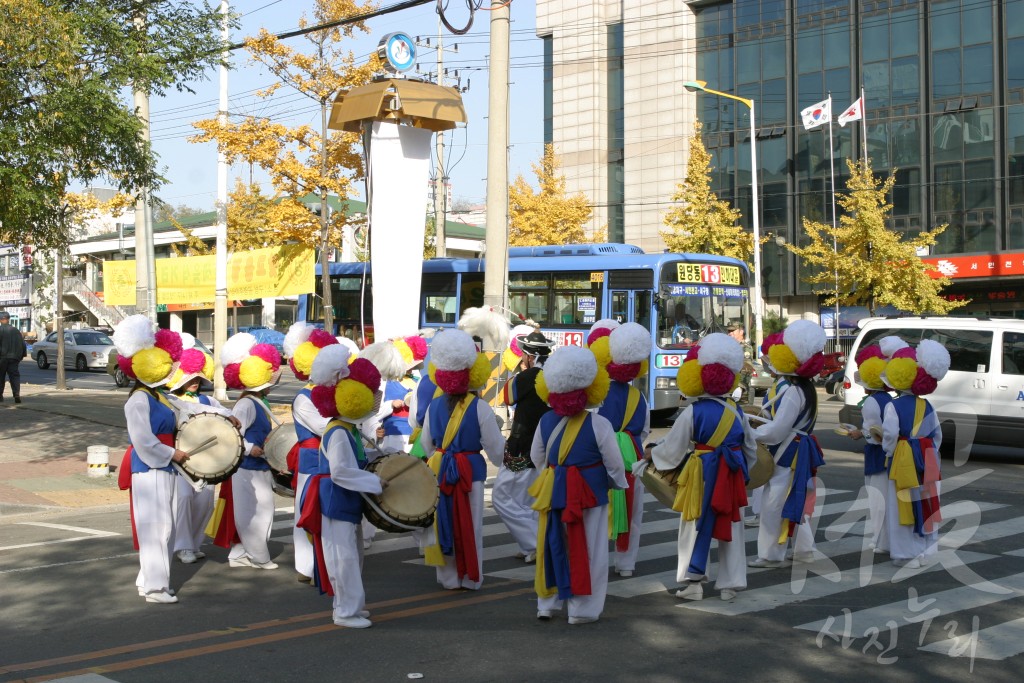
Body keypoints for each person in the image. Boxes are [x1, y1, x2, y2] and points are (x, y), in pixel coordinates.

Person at [641, 333, 757, 601]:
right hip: (730, 473)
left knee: (693, 525)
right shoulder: (737, 411)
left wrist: (651, 454)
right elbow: (751, 449)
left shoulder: (694, 411)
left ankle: (693, 584)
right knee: (732, 526)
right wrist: (743, 472)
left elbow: (674, 447)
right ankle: (731, 584)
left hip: (701, 473)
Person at [529, 345, 627, 624]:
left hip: (553, 491)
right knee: (590, 551)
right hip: (590, 493)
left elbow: (538, 457)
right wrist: (616, 485)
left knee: (551, 544)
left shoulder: (545, 420)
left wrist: (554, 477)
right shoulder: (599, 423)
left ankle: (546, 604)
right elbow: (614, 464)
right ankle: (581, 610)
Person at [297, 344, 385, 628]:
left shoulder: (347, 429)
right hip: (335, 500)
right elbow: (340, 472)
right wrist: (375, 481)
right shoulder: (337, 432)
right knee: (342, 558)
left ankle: (352, 607)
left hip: (344, 500)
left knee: (352, 556)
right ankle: (345, 612)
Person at [418, 329, 506, 590]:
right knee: (471, 524)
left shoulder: (434, 406)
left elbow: (426, 444)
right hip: (470, 471)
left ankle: (447, 578)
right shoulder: (480, 407)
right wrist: (502, 460)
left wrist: (440, 457)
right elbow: (495, 447)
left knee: (442, 519)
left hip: (441, 469)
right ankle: (470, 577)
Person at [113, 315, 189, 604]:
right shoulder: (138, 400)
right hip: (150, 468)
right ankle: (156, 588)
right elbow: (143, 440)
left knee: (165, 527)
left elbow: (186, 411)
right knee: (156, 528)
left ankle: (149, 579)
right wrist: (172, 453)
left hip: (165, 465)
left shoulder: (160, 397)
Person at [749, 321, 827, 568]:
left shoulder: (793, 390)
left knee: (773, 504)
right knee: (793, 500)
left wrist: (750, 433)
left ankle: (771, 554)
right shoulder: (803, 387)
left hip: (788, 451)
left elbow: (778, 429)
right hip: (796, 449)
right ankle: (804, 549)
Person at [211, 332, 283, 570]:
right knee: (253, 513)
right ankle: (258, 556)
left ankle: (239, 553)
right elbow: (233, 435)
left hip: (260, 465)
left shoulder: (258, 401)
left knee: (260, 511)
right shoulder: (246, 403)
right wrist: (251, 448)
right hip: (246, 467)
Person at [880, 339, 950, 569]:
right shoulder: (928, 405)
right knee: (926, 502)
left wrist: (889, 453)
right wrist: (929, 452)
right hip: (927, 456)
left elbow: (889, 436)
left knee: (901, 504)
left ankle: (905, 554)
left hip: (904, 457)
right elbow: (937, 435)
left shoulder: (894, 406)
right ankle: (924, 551)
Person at [283, 322, 341, 582]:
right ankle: (305, 566)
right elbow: (323, 426)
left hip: (328, 458)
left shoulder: (325, 393)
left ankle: (323, 561)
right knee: (304, 511)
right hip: (310, 459)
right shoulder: (304, 398)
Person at [593, 322, 651, 578]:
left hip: (601, 460)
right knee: (633, 512)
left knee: (598, 511)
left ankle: (597, 559)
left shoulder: (598, 395)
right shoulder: (640, 397)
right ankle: (626, 563)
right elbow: (645, 431)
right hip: (632, 459)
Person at [494, 329, 555, 564]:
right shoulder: (553, 374)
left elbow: (506, 397)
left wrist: (522, 372)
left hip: (523, 445)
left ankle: (535, 543)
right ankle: (530, 545)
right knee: (528, 499)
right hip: (544, 445)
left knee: (501, 497)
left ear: (529, 357)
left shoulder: (528, 376)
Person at [842, 336, 906, 553]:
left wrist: (859, 434)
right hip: (890, 455)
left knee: (877, 501)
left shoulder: (870, 401)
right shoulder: (888, 400)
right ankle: (886, 539)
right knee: (888, 500)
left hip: (877, 454)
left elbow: (874, 433)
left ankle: (880, 541)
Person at [166, 339, 223, 565]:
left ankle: (194, 543)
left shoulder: (208, 399)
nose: (195, 382)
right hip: (180, 462)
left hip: (206, 461)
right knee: (184, 500)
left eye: (198, 378)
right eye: (191, 378)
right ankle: (182, 545)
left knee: (205, 501)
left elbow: (224, 418)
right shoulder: (170, 400)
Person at [0, 311, 27, 404]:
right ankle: (16, 394)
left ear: (0, 320)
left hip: (2, 358)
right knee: (14, 376)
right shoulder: (16, 331)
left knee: (1, 376)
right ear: (8, 319)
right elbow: (23, 345)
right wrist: (22, 355)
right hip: (14, 358)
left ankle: (0, 395)